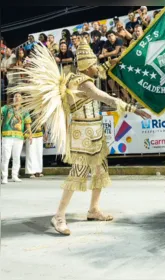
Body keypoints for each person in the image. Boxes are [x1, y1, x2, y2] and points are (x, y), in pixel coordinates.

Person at [9, 38, 152, 235]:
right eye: (93, 64)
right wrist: (131, 108)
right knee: (78, 173)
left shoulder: (85, 76)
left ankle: (93, 209)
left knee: (101, 172)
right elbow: (104, 97)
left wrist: (118, 59)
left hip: (95, 131)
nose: (97, 67)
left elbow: (103, 68)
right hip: (82, 133)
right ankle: (59, 215)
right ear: (86, 67)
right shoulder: (81, 83)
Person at [1, 93, 32, 184]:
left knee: (16, 156)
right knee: (5, 157)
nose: (17, 98)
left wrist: (30, 134)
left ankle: (15, 175)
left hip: (19, 136)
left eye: (19, 96)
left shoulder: (24, 111)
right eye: (15, 96)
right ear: (13, 99)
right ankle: (4, 177)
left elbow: (27, 123)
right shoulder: (7, 108)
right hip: (7, 135)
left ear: (21, 99)